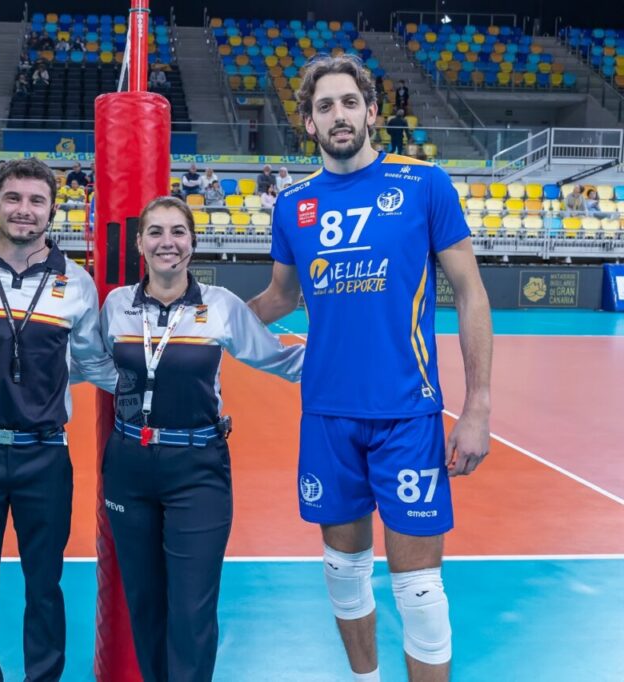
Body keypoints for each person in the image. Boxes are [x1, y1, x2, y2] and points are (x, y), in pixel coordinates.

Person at [248, 54, 492, 682]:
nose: (340, 115)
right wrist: (204, 316)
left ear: (373, 113)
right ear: (308, 123)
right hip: (328, 415)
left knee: (420, 591)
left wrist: (478, 406)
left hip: (407, 415)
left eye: (350, 102)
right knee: (343, 574)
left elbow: (471, 292)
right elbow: (280, 297)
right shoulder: (293, 204)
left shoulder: (424, 184)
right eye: (325, 106)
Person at [98, 196, 303, 681]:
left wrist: (353, 356)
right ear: (139, 243)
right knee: (144, 604)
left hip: (197, 470)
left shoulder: (222, 305)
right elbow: (93, 363)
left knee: (191, 610)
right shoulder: (116, 305)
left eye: (178, 232)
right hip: (128, 467)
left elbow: (280, 359)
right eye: (155, 232)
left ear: (192, 241)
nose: (167, 242)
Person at [0, 158, 110, 682]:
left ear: (52, 210)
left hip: (44, 455)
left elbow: (94, 362)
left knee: (44, 586)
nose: (24, 210)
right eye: (13, 198)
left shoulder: (76, 283)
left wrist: (166, 391)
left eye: (37, 200)